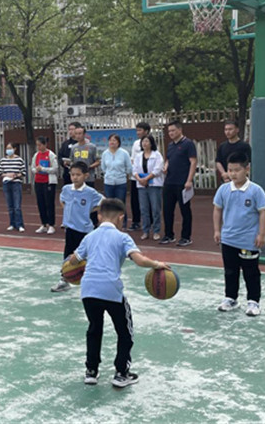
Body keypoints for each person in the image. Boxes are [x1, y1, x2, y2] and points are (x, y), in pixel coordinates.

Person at [68, 198, 170, 387]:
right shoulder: (122, 237)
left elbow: (74, 261)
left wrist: (70, 269)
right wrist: (157, 264)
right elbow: (139, 260)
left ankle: (91, 371)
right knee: (125, 332)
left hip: (88, 290)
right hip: (111, 290)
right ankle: (121, 373)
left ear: (99, 216)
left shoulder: (89, 236)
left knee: (94, 329)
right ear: (121, 218)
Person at [213, 152, 265, 317]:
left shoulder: (255, 191)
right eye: (230, 170)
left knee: (251, 272)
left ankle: (253, 301)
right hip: (228, 240)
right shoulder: (223, 189)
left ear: (247, 169)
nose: (233, 174)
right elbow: (217, 209)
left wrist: (262, 234)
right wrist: (217, 230)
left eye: (237, 170)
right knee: (230, 271)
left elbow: (264, 212)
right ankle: (231, 298)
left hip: (248, 241)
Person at [51, 161, 103, 293]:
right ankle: (64, 280)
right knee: (68, 255)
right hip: (70, 229)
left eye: (78, 175)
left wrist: (88, 210)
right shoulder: (66, 189)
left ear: (86, 175)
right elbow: (62, 201)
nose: (75, 177)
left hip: (84, 231)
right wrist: (69, 212)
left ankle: (93, 283)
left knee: (87, 258)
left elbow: (103, 202)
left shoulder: (90, 192)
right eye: (72, 174)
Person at [160, 120, 197, 247]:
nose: (171, 133)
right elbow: (168, 160)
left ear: (180, 130)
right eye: (169, 131)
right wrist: (165, 166)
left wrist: (189, 180)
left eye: (173, 130)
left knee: (185, 210)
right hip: (169, 182)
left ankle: (186, 237)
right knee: (167, 209)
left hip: (182, 182)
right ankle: (169, 235)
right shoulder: (170, 145)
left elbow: (193, 162)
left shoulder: (188, 144)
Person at [132, 135, 164, 241]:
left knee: (155, 208)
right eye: (143, 142)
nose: (144, 143)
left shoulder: (157, 155)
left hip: (154, 184)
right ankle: (145, 231)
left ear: (151, 143)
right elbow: (134, 169)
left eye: (146, 141)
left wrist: (147, 178)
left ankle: (156, 231)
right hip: (141, 185)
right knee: (144, 209)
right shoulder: (138, 156)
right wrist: (139, 179)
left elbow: (158, 169)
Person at [69, 126, 101, 228]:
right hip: (77, 181)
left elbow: (98, 161)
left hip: (89, 178)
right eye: (76, 133)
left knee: (90, 200)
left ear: (84, 134)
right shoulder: (74, 148)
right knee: (78, 201)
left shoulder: (91, 147)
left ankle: (94, 222)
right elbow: (72, 161)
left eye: (80, 133)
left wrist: (89, 167)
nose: (78, 135)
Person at [100, 133, 132, 229]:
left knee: (120, 203)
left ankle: (123, 223)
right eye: (110, 140)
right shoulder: (105, 153)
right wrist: (110, 174)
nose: (112, 142)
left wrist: (121, 174)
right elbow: (103, 167)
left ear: (118, 142)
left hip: (120, 182)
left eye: (115, 140)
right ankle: (110, 223)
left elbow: (129, 168)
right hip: (108, 182)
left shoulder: (124, 153)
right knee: (109, 203)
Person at [31, 136, 59, 235]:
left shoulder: (51, 155)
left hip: (48, 182)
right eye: (37, 145)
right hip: (38, 181)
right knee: (40, 203)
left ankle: (51, 225)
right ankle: (44, 224)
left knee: (49, 203)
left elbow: (55, 168)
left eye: (40, 145)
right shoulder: (36, 155)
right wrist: (36, 170)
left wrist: (43, 169)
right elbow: (33, 167)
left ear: (45, 144)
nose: (38, 147)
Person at [0, 142, 26, 232]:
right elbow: (0, 172)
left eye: (10, 148)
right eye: (7, 148)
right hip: (6, 183)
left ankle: (20, 224)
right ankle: (12, 223)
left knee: (17, 206)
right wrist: (6, 174)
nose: (8, 150)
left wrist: (15, 175)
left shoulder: (19, 160)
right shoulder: (3, 160)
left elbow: (23, 172)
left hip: (16, 183)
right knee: (10, 205)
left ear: (14, 149)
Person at [129, 122, 151, 231]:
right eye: (137, 130)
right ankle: (136, 221)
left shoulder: (152, 142)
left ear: (146, 131)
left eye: (140, 130)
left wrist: (146, 177)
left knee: (149, 200)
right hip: (136, 178)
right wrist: (137, 175)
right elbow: (133, 160)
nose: (138, 133)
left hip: (149, 178)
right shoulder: (136, 143)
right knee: (135, 200)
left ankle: (150, 222)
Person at [215, 119, 252, 183]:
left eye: (230, 129)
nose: (227, 132)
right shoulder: (222, 146)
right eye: (226, 130)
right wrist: (224, 173)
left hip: (241, 180)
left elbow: (248, 162)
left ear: (237, 130)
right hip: (225, 180)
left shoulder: (244, 146)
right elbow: (218, 161)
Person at [58, 121, 81, 187]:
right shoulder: (65, 144)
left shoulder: (82, 143)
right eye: (69, 129)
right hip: (68, 173)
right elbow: (60, 156)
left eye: (72, 129)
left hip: (80, 173)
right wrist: (63, 163)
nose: (70, 131)